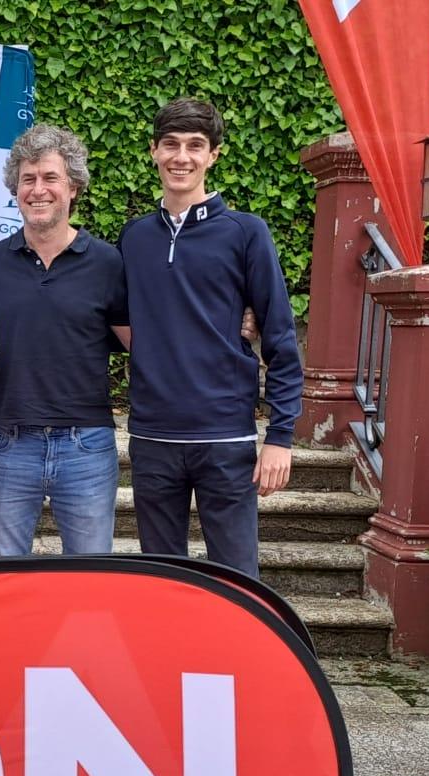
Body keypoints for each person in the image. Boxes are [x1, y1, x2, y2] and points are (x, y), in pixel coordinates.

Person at [119, 98, 301, 578]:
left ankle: (239, 657)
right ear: (154, 152)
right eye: (172, 145)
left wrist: (280, 437)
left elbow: (280, 337)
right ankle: (169, 657)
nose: (183, 157)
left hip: (225, 435)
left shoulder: (246, 233)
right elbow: (114, 319)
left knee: (237, 576)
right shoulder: (134, 237)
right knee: (163, 575)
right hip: (152, 435)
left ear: (213, 155)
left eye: (195, 146)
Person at [0, 126, 130, 555]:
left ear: (73, 187)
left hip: (87, 447)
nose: (38, 190)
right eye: (28, 179)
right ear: (15, 189)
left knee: (90, 582)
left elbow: (150, 343)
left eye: (50, 178)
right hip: (8, 444)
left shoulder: (109, 263)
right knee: (3, 583)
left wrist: (234, 320)